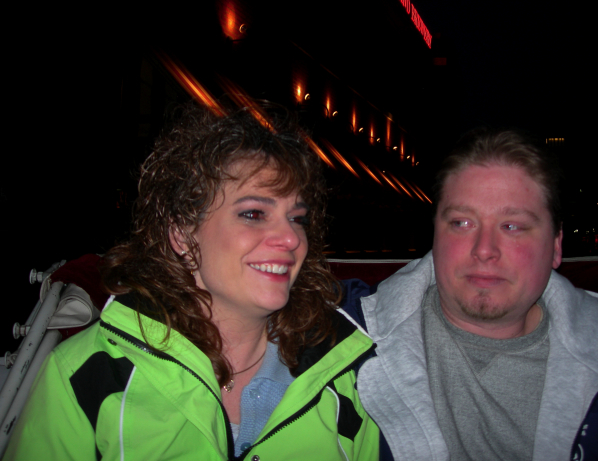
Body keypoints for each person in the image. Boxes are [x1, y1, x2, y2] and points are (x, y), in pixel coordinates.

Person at [6, 103, 379, 460]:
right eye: (254, 214)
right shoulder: (89, 375)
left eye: (297, 218)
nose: (291, 238)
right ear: (182, 235)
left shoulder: (345, 378)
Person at [342, 128, 598, 460]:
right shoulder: (340, 339)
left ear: (556, 246)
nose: (484, 250)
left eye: (512, 226)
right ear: (434, 234)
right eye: (462, 223)